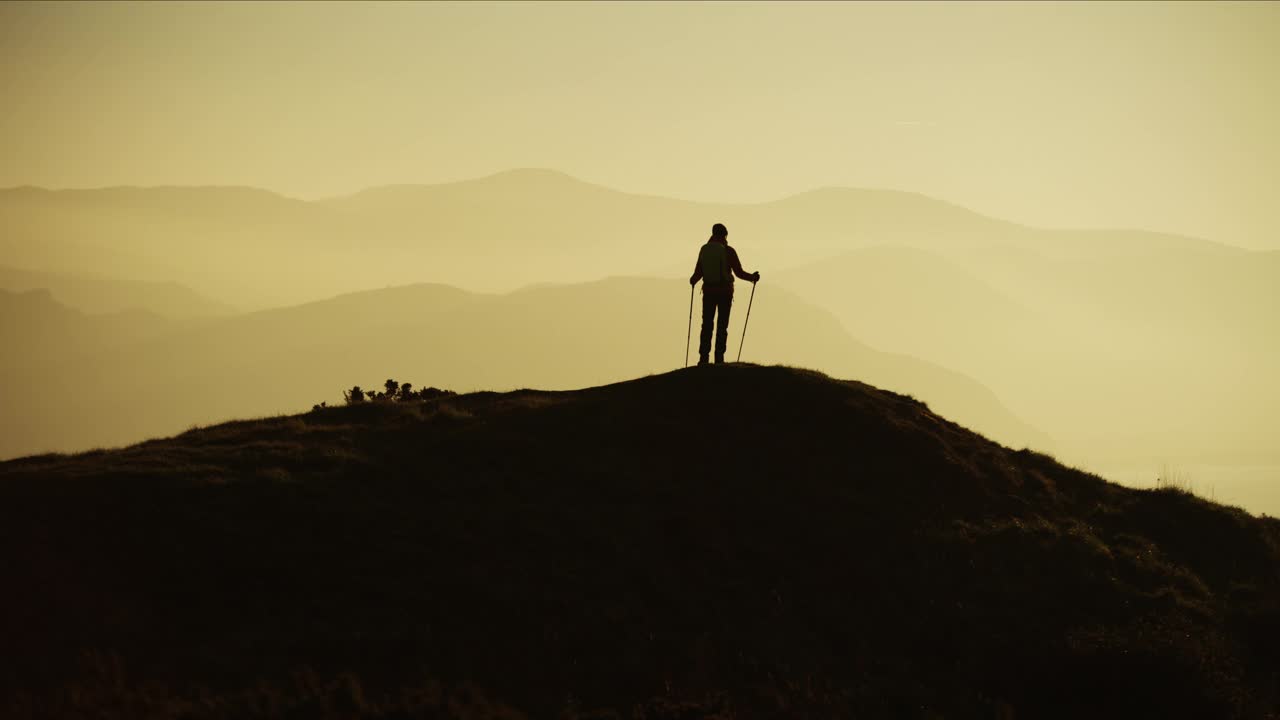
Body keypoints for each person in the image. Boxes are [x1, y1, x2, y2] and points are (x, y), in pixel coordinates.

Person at [689, 223, 760, 365]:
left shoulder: (704, 250)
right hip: (725, 293)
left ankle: (703, 358)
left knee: (707, 324)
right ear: (725, 235)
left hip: (708, 292)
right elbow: (739, 273)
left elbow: (697, 274)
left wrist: (693, 281)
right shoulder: (728, 251)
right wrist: (753, 277)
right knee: (722, 325)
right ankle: (719, 359)